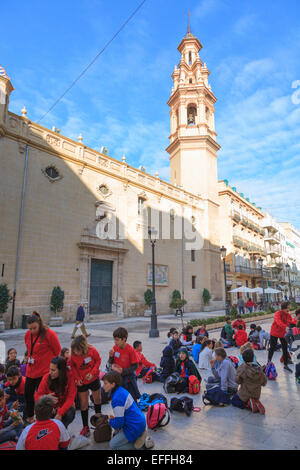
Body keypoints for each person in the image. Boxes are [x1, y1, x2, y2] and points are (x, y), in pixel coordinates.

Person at [24, 312, 61, 423]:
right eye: (30, 328)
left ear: (39, 324)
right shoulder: (27, 334)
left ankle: (46, 419)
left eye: (34, 328)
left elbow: (57, 350)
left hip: (44, 372)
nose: (32, 331)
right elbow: (29, 348)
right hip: (31, 370)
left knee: (44, 397)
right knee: (28, 395)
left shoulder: (49, 334)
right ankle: (30, 418)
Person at [102, 371, 152, 451]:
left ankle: (143, 445)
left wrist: (110, 421)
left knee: (113, 445)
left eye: (105, 383)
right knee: (117, 433)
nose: (103, 386)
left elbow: (119, 423)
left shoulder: (117, 399)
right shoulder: (120, 390)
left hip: (134, 426)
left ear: (113, 384)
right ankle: (139, 437)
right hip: (139, 421)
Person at [70, 335, 102, 437]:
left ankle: (99, 422)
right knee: (84, 404)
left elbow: (98, 361)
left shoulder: (92, 350)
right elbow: (73, 367)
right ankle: (85, 426)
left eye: (78, 351)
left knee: (97, 399)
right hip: (82, 382)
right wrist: (77, 378)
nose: (76, 353)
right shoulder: (73, 355)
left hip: (93, 378)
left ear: (83, 348)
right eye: (74, 351)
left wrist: (92, 373)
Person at [35, 356, 76, 429]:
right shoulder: (46, 378)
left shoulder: (70, 377)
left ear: (61, 371)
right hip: (50, 408)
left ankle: (62, 428)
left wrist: (60, 413)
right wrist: (46, 398)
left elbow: (71, 398)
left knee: (71, 410)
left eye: (53, 370)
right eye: (50, 369)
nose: (50, 372)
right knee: (41, 407)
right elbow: (37, 397)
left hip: (63, 408)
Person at [108, 327, 140, 402]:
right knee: (120, 400)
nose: (115, 342)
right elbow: (111, 362)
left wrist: (123, 371)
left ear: (124, 339)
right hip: (118, 379)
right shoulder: (115, 348)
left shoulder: (130, 350)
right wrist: (111, 357)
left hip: (129, 380)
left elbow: (135, 366)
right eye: (114, 339)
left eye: (117, 340)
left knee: (131, 400)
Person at [232, 349, 267, 414]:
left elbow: (237, 381)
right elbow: (264, 383)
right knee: (251, 396)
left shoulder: (242, 367)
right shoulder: (259, 369)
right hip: (256, 394)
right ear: (253, 357)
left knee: (234, 400)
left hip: (245, 394)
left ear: (243, 358)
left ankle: (248, 404)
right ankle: (255, 401)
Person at [268, 301, 293, 372]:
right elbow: (278, 322)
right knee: (272, 348)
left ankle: (286, 364)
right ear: (284, 308)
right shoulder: (278, 313)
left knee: (285, 349)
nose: (289, 309)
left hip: (282, 334)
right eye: (288, 307)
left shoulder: (288, 315)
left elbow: (292, 321)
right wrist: (285, 327)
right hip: (274, 333)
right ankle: (268, 362)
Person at [290, 319, 300, 384]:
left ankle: (297, 377)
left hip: (296, 349)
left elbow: (286, 336)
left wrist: (291, 343)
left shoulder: (293, 329)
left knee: (297, 363)